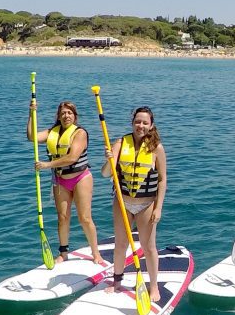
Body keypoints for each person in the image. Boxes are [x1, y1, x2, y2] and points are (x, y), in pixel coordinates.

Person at [102, 106, 167, 301]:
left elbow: (162, 179)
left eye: (145, 122)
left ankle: (153, 286)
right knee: (120, 245)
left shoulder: (156, 148)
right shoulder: (121, 143)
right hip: (122, 202)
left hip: (146, 205)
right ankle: (117, 282)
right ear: (132, 123)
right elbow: (106, 173)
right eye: (137, 121)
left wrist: (159, 207)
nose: (140, 125)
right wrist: (109, 159)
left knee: (149, 247)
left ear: (151, 125)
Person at [27, 100, 104, 265]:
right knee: (62, 217)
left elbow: (72, 157)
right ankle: (63, 253)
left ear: (75, 116)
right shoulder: (52, 132)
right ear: (58, 116)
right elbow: (32, 137)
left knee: (84, 218)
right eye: (63, 113)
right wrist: (31, 113)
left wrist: (47, 165)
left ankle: (96, 253)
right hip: (60, 180)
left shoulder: (80, 133)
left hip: (80, 178)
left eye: (69, 113)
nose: (66, 116)